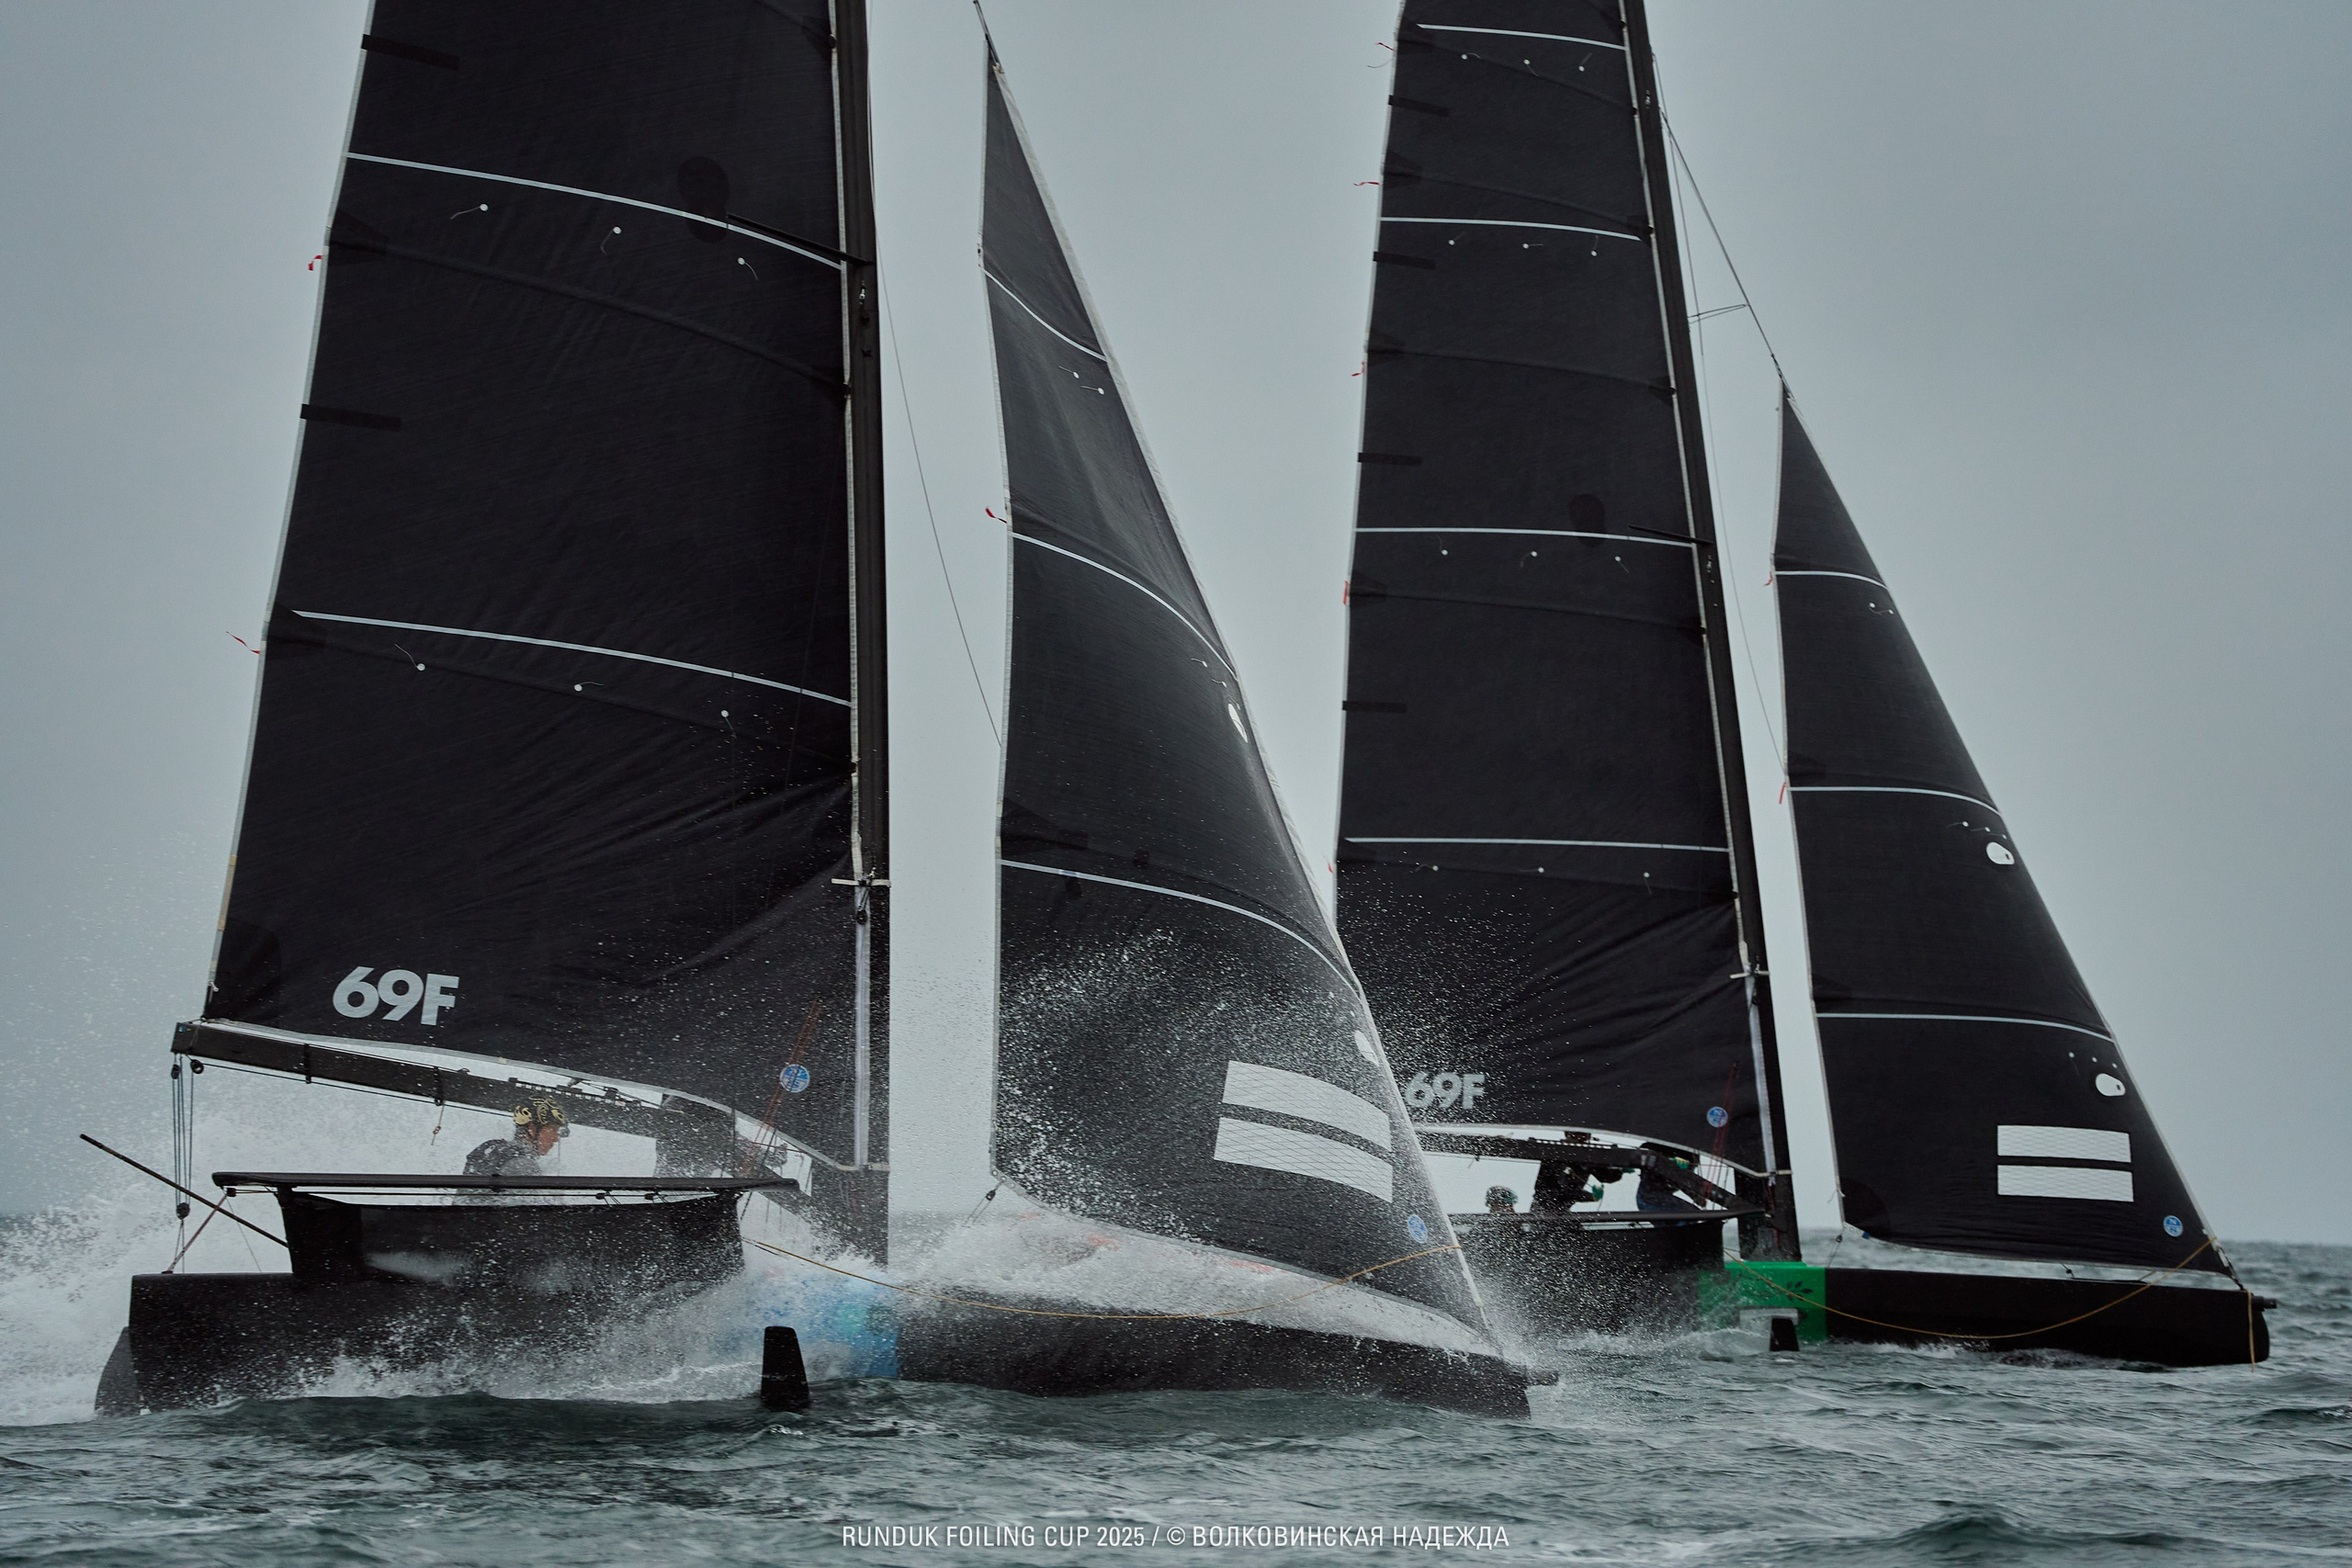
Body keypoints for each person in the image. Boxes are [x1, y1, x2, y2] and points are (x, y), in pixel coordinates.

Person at [466, 1096, 568, 1177]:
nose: (555, 1139)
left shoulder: (492, 1151)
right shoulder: (523, 1166)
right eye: (553, 1130)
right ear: (532, 1129)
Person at [1634, 1144, 1700, 1213]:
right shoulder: (1658, 1145)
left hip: (1652, 1199)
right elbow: (1643, 1153)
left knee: (1693, 1215)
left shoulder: (1690, 1154)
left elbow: (1683, 1180)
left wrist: (1696, 1196)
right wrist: (1667, 1161)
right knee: (1693, 1215)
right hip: (1649, 1199)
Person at [1528, 1160, 1604, 1215]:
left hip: (1562, 1210)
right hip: (1544, 1210)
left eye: (1587, 1137)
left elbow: (1607, 1177)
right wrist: (1591, 1196)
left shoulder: (1584, 1156)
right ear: (1568, 1136)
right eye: (1581, 1137)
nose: (1584, 1140)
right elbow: (1564, 1189)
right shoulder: (1557, 1159)